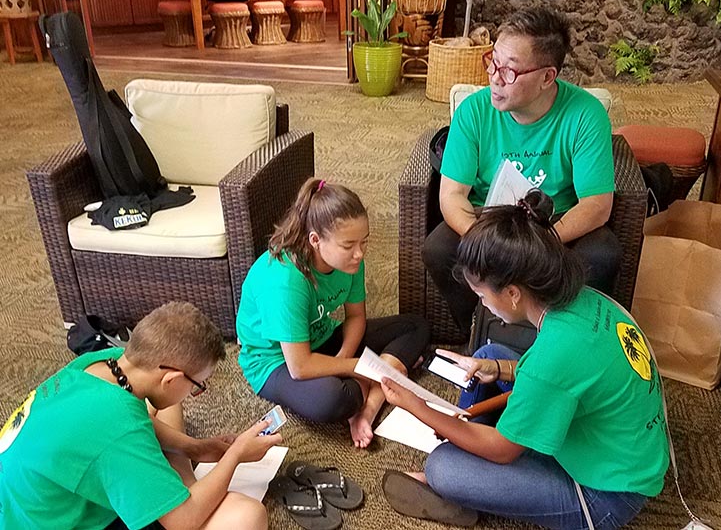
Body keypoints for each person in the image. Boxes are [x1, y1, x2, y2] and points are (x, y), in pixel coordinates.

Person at [382, 189, 668, 529]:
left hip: (605, 495)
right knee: (488, 356)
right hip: (624, 448)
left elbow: (504, 448)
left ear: (513, 293)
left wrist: (417, 406)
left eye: (481, 296)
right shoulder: (586, 300)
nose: (483, 305)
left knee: (441, 467)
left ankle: (466, 474)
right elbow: (569, 378)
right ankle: (473, 449)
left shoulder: (554, 355)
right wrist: (500, 369)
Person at [423, 6, 620, 335]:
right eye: (493, 62)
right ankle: (482, 328)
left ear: (547, 77)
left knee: (602, 253)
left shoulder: (585, 114)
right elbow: (452, 195)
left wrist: (541, 242)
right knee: (439, 248)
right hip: (489, 218)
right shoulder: (474, 111)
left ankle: (563, 337)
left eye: (510, 71)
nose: (494, 77)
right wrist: (485, 241)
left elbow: (597, 204)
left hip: (554, 222)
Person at [0, 302, 282, 530]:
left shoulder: (103, 362)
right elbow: (182, 522)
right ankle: (182, 491)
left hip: (26, 501)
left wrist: (195, 448)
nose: (195, 392)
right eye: (197, 386)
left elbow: (127, 423)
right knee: (246, 516)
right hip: (58, 520)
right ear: (171, 378)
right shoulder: (120, 429)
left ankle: (178, 488)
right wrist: (235, 454)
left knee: (165, 406)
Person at [237, 178, 429, 449]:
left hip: (320, 336)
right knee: (334, 400)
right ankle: (384, 377)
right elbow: (300, 367)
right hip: (275, 361)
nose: (359, 253)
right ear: (315, 240)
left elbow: (356, 317)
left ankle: (368, 408)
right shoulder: (285, 280)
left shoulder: (351, 261)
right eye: (348, 246)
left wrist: (344, 361)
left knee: (416, 326)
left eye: (364, 242)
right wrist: (361, 368)